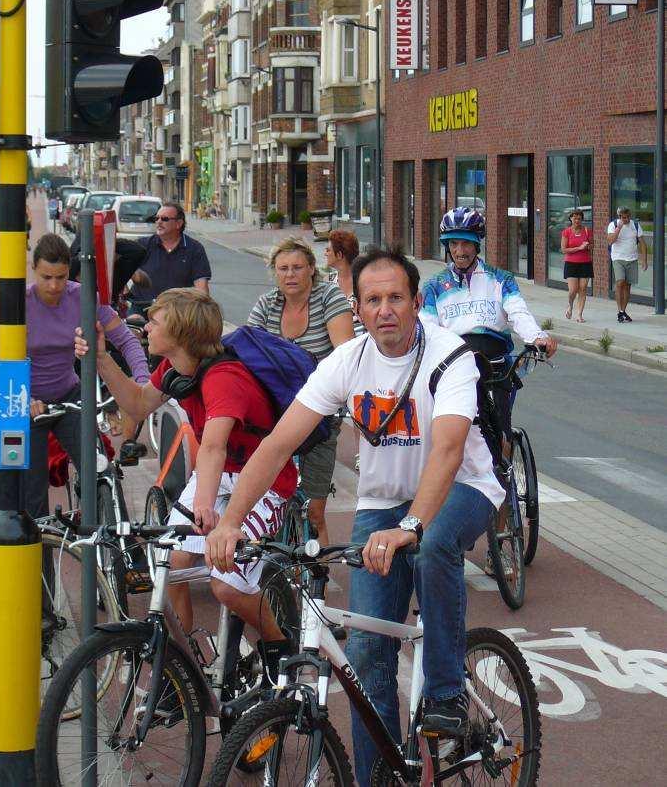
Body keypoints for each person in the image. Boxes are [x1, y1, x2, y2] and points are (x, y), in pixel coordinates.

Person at [206, 245, 504, 785]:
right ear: (359, 309)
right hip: (381, 502)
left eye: (396, 297)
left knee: (435, 542)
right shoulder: (347, 361)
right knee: (366, 659)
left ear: (417, 303)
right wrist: (231, 520)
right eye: (372, 300)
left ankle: (444, 696)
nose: (384, 309)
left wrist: (410, 527)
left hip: (463, 488)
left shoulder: (449, 355)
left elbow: (449, 449)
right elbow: (276, 445)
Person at [74, 288, 296, 683]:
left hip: (263, 482)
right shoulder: (177, 370)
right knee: (170, 561)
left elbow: (213, 447)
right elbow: (139, 403)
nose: (146, 328)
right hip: (219, 475)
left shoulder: (225, 378)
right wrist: (102, 358)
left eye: (154, 321)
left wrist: (208, 510)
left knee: (224, 584)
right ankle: (186, 661)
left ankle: (279, 646)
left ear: (179, 332)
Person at [420, 208, 556, 576]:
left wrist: (537, 338)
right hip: (456, 369)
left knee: (499, 450)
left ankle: (504, 533)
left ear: (477, 245)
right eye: (453, 244)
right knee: (449, 444)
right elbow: (428, 328)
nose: (460, 250)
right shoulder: (433, 287)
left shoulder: (500, 279)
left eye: (466, 243)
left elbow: (518, 313)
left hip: (496, 369)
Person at [0, 233, 149, 519]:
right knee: (32, 492)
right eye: (46, 277)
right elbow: (0, 361)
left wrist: (142, 380)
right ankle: (41, 557)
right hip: (28, 400)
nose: (54, 286)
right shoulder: (22, 304)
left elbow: (126, 340)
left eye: (61, 277)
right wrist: (25, 397)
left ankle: (122, 548)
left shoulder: (81, 297)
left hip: (68, 394)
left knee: (100, 466)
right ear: (34, 270)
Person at [248, 236, 354, 545]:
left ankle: (317, 580)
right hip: (276, 412)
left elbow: (344, 353)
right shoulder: (267, 304)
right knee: (268, 502)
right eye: (283, 269)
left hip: (320, 413)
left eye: (297, 267)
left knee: (314, 509)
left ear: (311, 269)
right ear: (274, 273)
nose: (290, 275)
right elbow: (249, 350)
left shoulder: (328, 297)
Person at [128, 202, 212, 317]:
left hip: (177, 313)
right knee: (131, 329)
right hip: (142, 309)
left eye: (165, 219)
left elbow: (201, 288)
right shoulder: (143, 245)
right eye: (156, 218)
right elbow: (117, 261)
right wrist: (123, 289)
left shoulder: (195, 249)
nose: (159, 222)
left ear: (179, 223)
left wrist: (203, 314)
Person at [607, 207, 647, 322]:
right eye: (624, 217)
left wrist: (644, 260)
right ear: (619, 217)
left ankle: (622, 311)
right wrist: (618, 228)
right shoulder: (613, 225)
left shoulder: (635, 225)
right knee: (620, 283)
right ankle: (620, 311)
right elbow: (610, 241)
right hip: (618, 258)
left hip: (632, 259)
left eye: (628, 217)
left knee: (628, 286)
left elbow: (643, 244)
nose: (626, 219)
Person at [325, 228, 364, 336]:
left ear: (339, 255)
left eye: (328, 250)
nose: (325, 254)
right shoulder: (327, 281)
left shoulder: (363, 282)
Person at [561, 209, 593, 322]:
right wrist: (579, 248)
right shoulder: (567, 232)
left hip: (585, 262)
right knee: (573, 290)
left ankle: (579, 315)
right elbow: (564, 249)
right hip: (571, 263)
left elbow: (592, 245)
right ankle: (570, 306)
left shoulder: (587, 231)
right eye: (574, 218)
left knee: (583, 288)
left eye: (579, 218)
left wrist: (588, 246)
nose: (577, 220)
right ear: (571, 219)